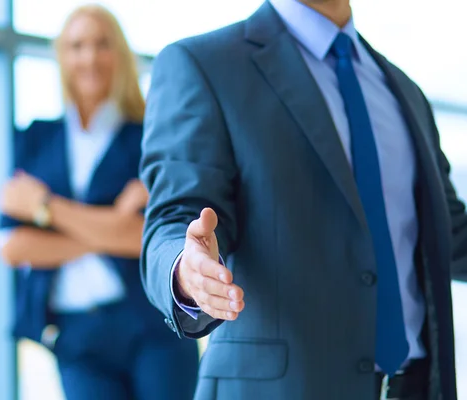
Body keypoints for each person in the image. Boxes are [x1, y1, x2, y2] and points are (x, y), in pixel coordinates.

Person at [140, 0, 467, 399]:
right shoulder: (203, 64)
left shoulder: (404, 91)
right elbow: (176, 217)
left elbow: (450, 233)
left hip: (416, 386)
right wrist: (185, 272)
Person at [0, 5, 199, 400]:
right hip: (75, 337)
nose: (89, 57)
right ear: (62, 57)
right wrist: (113, 223)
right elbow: (13, 245)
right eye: (77, 46)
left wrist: (45, 209)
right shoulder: (36, 139)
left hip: (152, 327)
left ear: (119, 55)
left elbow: (151, 237)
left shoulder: (151, 138)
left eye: (102, 44)